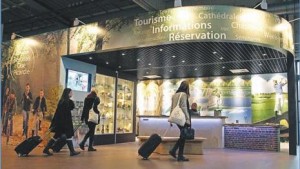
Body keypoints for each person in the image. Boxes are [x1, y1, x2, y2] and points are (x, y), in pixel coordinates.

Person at [43, 88, 80, 156]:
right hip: (65, 123)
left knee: (56, 136)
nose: (72, 94)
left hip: (59, 123)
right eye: (71, 92)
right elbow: (72, 107)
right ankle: (72, 151)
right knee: (68, 135)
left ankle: (46, 149)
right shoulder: (67, 102)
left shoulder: (61, 101)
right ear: (68, 93)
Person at [169, 81, 191, 162]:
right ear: (186, 87)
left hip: (176, 118)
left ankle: (174, 151)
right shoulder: (184, 95)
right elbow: (184, 107)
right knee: (183, 136)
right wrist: (188, 119)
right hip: (182, 118)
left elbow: (171, 107)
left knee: (183, 136)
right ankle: (179, 155)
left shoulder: (175, 95)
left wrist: (170, 119)